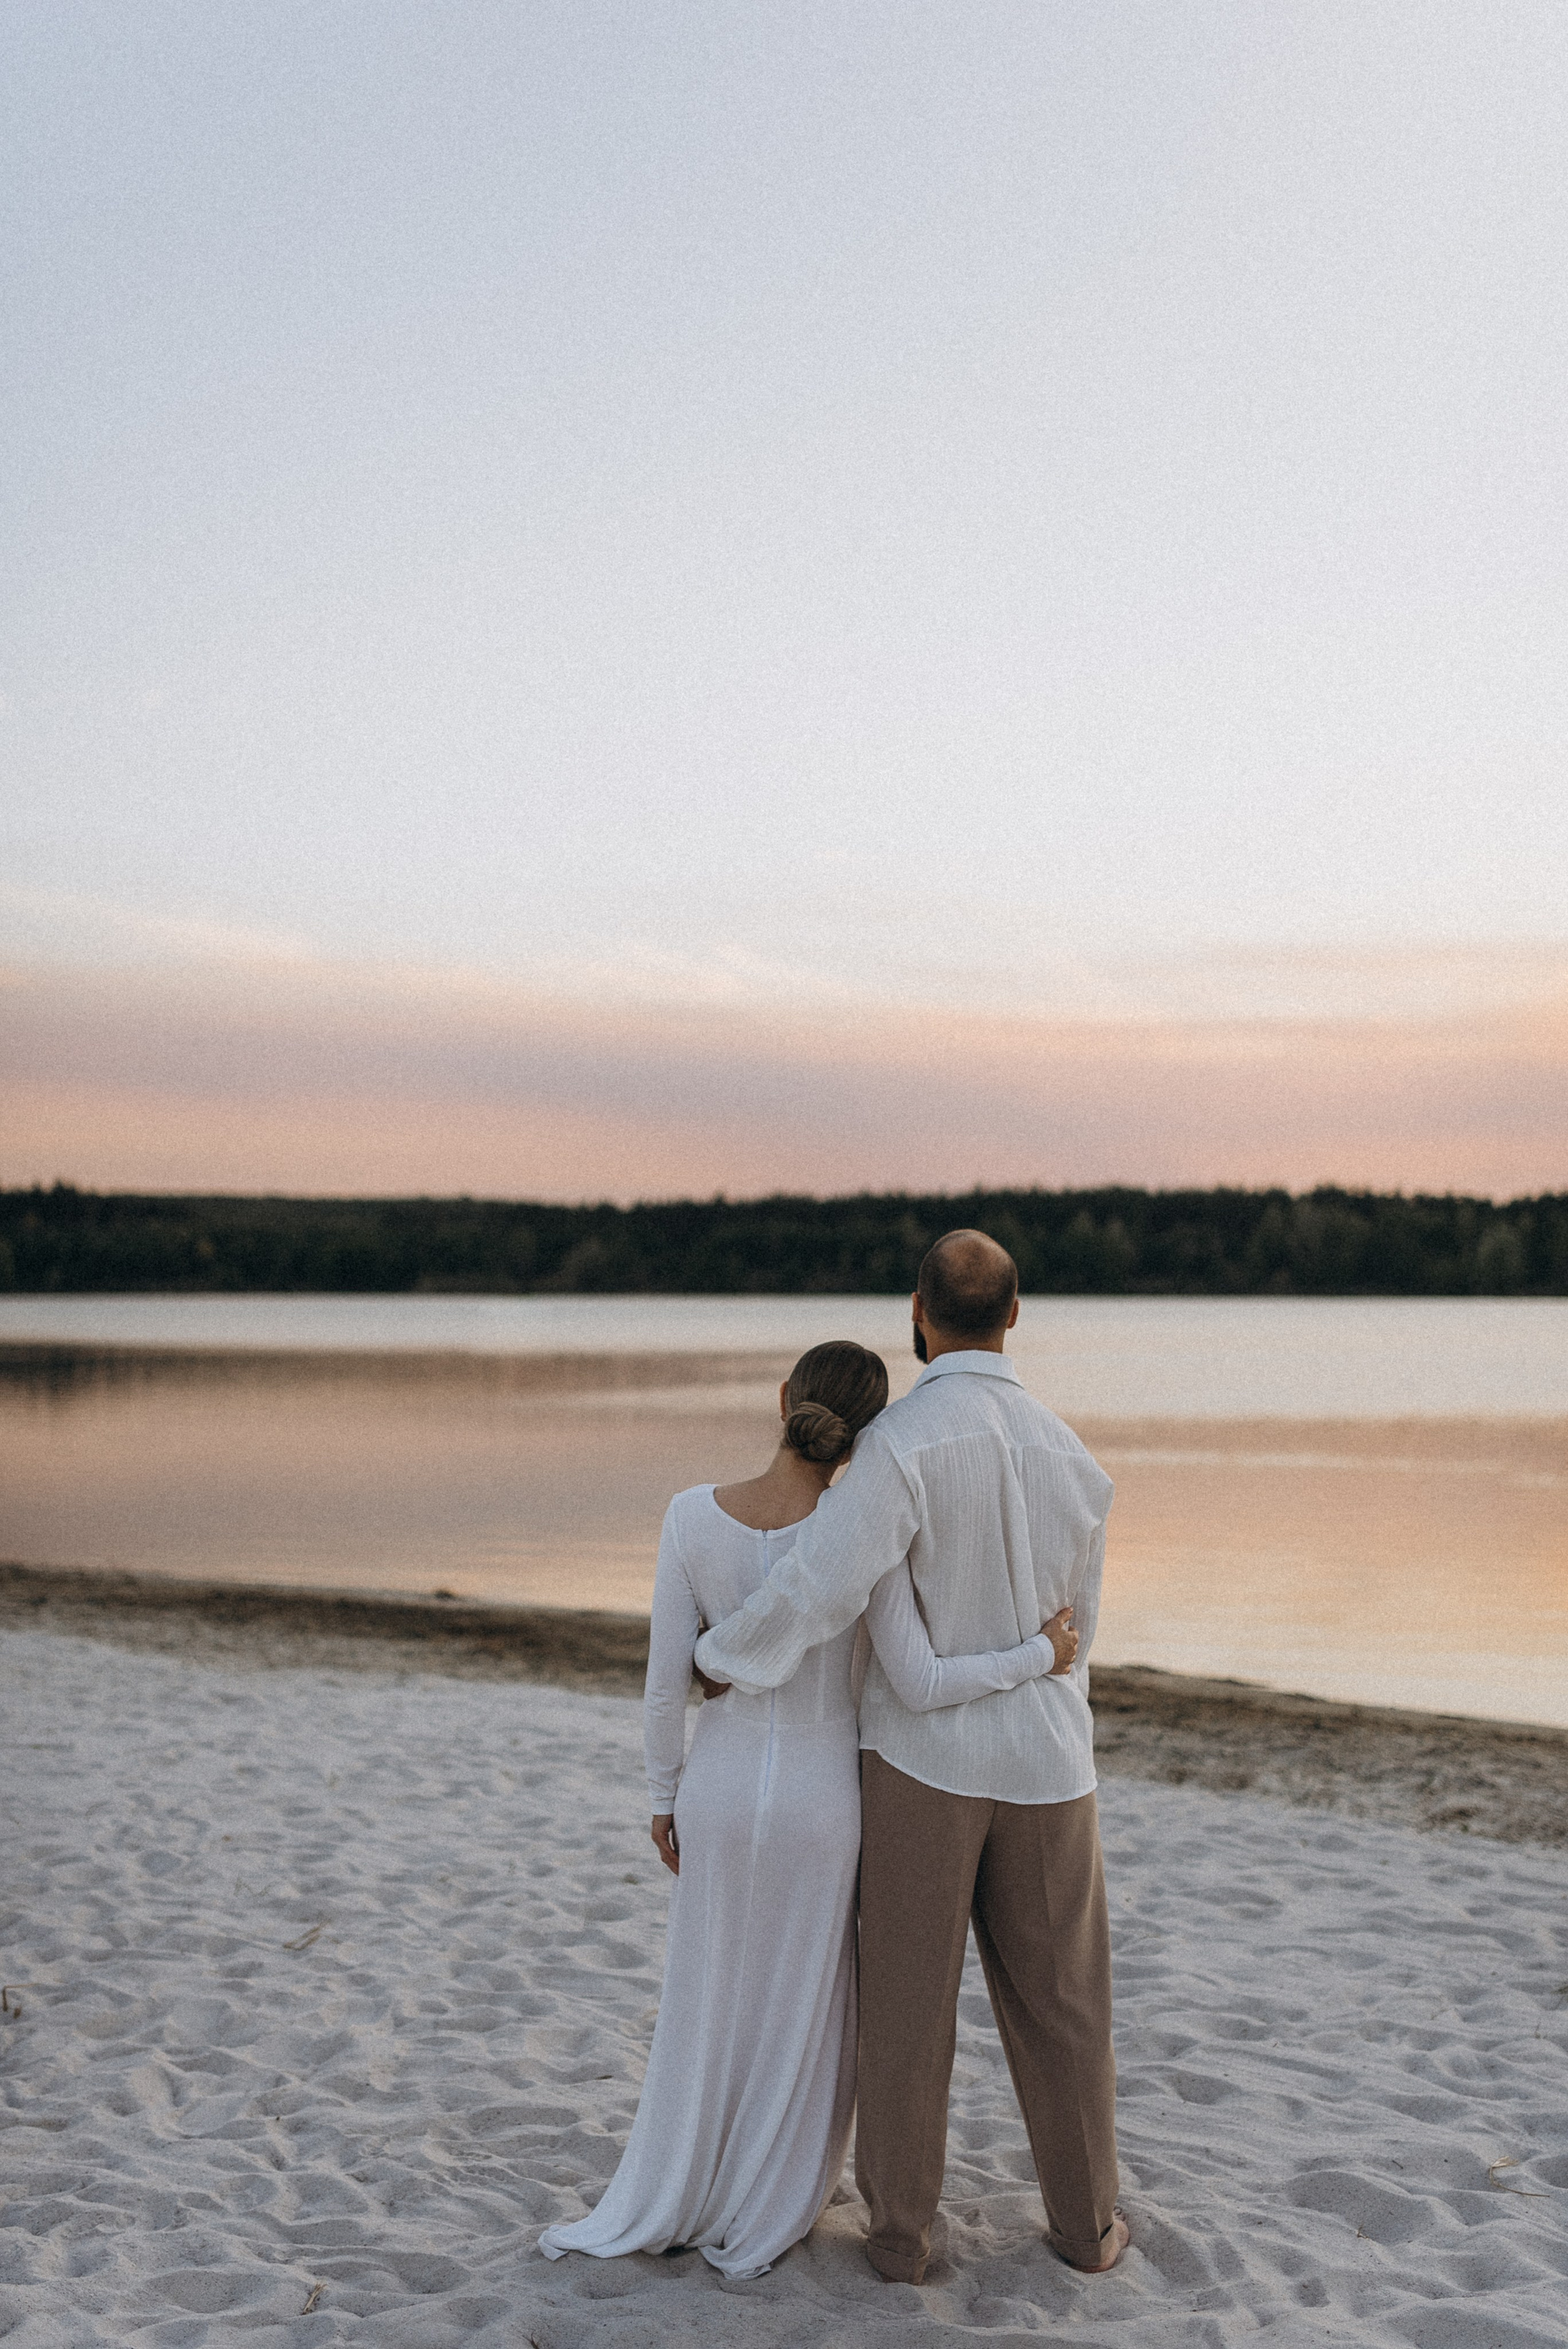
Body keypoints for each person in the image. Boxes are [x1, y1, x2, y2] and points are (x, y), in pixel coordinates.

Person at [538, 1338, 1076, 2281]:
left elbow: (667, 1687)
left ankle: (688, 2176)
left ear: (784, 1398)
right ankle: (771, 2188)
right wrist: (1038, 1652)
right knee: (803, 2004)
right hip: (825, 1803)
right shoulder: (862, 1536)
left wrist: (663, 1796)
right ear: (868, 1441)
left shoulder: (689, 1517)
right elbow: (919, 1678)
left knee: (709, 1996)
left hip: (719, 1788)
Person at [694, 1233, 1126, 2285]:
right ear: (1016, 1315)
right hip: (1047, 1764)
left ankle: (901, 2239)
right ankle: (1085, 2225)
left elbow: (820, 1586)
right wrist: (1037, 1673)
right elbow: (1082, 1637)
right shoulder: (1080, 1460)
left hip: (923, 1763)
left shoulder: (897, 1445)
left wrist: (722, 1654)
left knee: (906, 2003)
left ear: (919, 1316)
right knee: (1064, 2005)